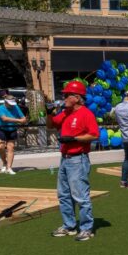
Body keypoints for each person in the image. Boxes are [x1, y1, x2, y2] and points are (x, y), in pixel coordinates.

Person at [47, 80, 99, 242]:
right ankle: (69, 225)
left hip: (78, 159)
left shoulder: (86, 114)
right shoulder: (66, 112)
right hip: (65, 158)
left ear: (76, 97)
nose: (64, 97)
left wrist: (74, 139)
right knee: (63, 195)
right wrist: (49, 113)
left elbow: (94, 135)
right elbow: (50, 126)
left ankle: (86, 229)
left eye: (67, 95)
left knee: (80, 195)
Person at [0, 92, 27, 175]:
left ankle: (9, 167)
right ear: (5, 102)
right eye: (10, 103)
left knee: (10, 148)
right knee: (0, 147)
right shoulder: (0, 108)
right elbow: (4, 119)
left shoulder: (16, 107)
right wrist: (18, 120)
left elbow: (24, 119)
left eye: (13, 103)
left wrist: (22, 120)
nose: (12, 105)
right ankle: (4, 162)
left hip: (11, 129)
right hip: (0, 129)